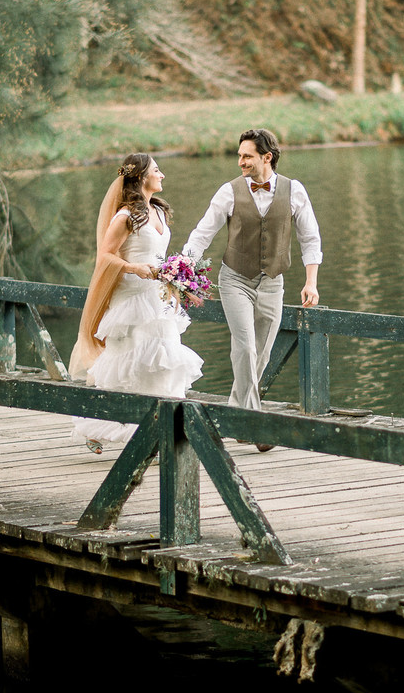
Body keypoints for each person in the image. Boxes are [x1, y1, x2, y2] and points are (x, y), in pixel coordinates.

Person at [182, 128, 322, 436]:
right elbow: (202, 234)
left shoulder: (294, 191)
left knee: (262, 353)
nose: (241, 162)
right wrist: (182, 270)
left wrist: (311, 282)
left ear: (266, 157)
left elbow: (310, 238)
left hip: (273, 282)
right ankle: (256, 425)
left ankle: (235, 415)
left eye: (247, 156)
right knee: (245, 348)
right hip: (235, 279)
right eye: (240, 156)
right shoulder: (229, 191)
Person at [68, 153, 204, 454]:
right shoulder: (126, 216)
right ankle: (98, 425)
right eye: (157, 170)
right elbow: (105, 256)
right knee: (130, 363)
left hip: (157, 297)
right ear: (142, 176)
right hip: (131, 299)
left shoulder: (158, 211)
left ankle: (163, 432)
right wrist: (133, 267)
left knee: (165, 357)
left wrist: (175, 277)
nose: (162, 174)